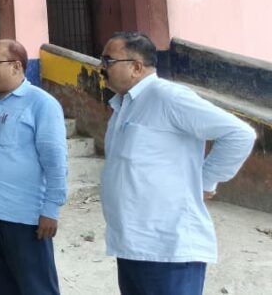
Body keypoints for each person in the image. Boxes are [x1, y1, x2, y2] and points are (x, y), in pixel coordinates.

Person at [99, 32, 255, 295]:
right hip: (131, 246)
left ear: (136, 67)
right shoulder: (123, 106)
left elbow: (240, 134)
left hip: (169, 250)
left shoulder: (168, 97)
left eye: (108, 61)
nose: (101, 67)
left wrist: (205, 182)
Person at [0, 39, 67, 295]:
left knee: (36, 288)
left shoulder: (41, 104)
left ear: (16, 66)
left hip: (25, 218)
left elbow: (55, 161)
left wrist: (51, 209)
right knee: (4, 286)